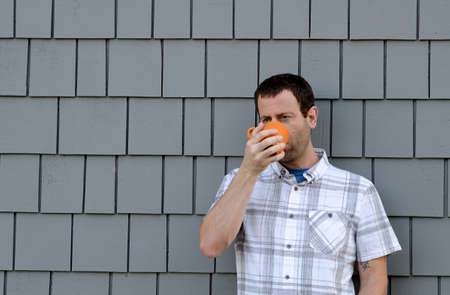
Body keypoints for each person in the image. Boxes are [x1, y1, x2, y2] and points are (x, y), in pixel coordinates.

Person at [199, 73, 401, 295]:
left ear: (311, 117)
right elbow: (211, 246)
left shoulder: (358, 191)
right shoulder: (239, 181)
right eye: (266, 120)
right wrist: (249, 170)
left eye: (284, 117)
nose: (273, 128)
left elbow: (374, 278)